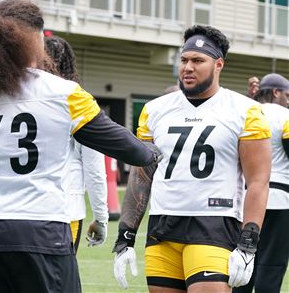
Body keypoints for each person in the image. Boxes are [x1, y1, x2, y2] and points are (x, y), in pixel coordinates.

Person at [0, 3, 161, 293]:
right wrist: (152, 152)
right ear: (34, 40)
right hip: (39, 228)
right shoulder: (62, 92)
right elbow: (130, 149)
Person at [112, 25, 272, 293]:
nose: (187, 67)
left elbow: (258, 181)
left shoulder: (246, 111)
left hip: (214, 224)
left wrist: (248, 243)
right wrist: (125, 235)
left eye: (198, 61)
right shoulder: (154, 110)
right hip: (162, 225)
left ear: (218, 64)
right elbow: (142, 175)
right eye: (184, 60)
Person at [44, 35, 108, 252]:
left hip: (12, 213)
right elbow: (94, 169)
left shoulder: (9, 98)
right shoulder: (77, 102)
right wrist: (101, 217)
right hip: (63, 211)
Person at [233, 73, 289, 293]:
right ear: (275, 92)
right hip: (280, 198)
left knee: (243, 262)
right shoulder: (285, 115)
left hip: (246, 200)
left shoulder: (245, 112)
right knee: (271, 266)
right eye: (287, 94)